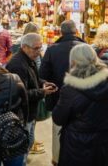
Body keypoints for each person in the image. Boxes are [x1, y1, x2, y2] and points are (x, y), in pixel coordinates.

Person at [52, 44, 108, 166]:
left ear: (74, 61)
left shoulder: (70, 88)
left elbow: (58, 118)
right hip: (104, 142)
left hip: (78, 144)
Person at [39, 20, 85, 165]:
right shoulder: (86, 47)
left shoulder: (53, 49)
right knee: (80, 130)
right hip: (83, 97)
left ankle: (58, 160)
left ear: (61, 32)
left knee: (58, 130)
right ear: (76, 31)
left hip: (58, 97)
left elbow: (43, 74)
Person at [6, 33, 57, 162]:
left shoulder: (29, 60)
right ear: (24, 47)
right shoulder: (18, 65)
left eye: (40, 48)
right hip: (23, 114)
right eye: (36, 48)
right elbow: (21, 94)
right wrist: (42, 92)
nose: (39, 52)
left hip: (29, 112)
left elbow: (33, 79)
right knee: (23, 147)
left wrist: (43, 83)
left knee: (29, 141)